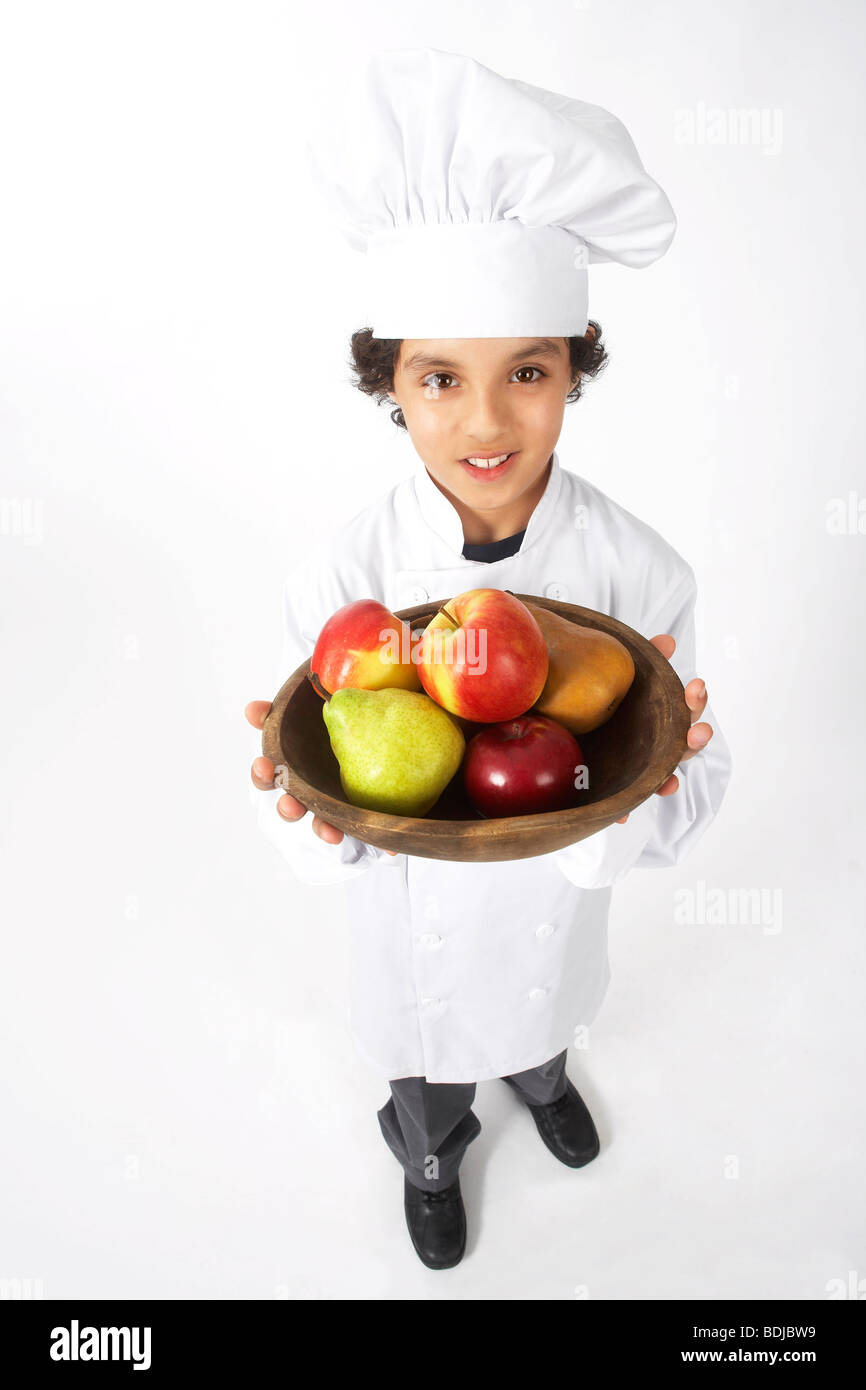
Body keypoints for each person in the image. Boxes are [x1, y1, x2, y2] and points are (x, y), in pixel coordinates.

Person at [246, 49, 732, 1270]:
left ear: (574, 371)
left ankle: (541, 1074)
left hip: (551, 911)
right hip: (409, 932)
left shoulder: (641, 577)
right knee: (425, 1070)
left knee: (544, 1008)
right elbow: (304, 778)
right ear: (389, 387)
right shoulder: (341, 581)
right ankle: (428, 1152)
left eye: (526, 371)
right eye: (437, 379)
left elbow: (694, 789)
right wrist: (300, 810)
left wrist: (659, 781)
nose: (483, 422)